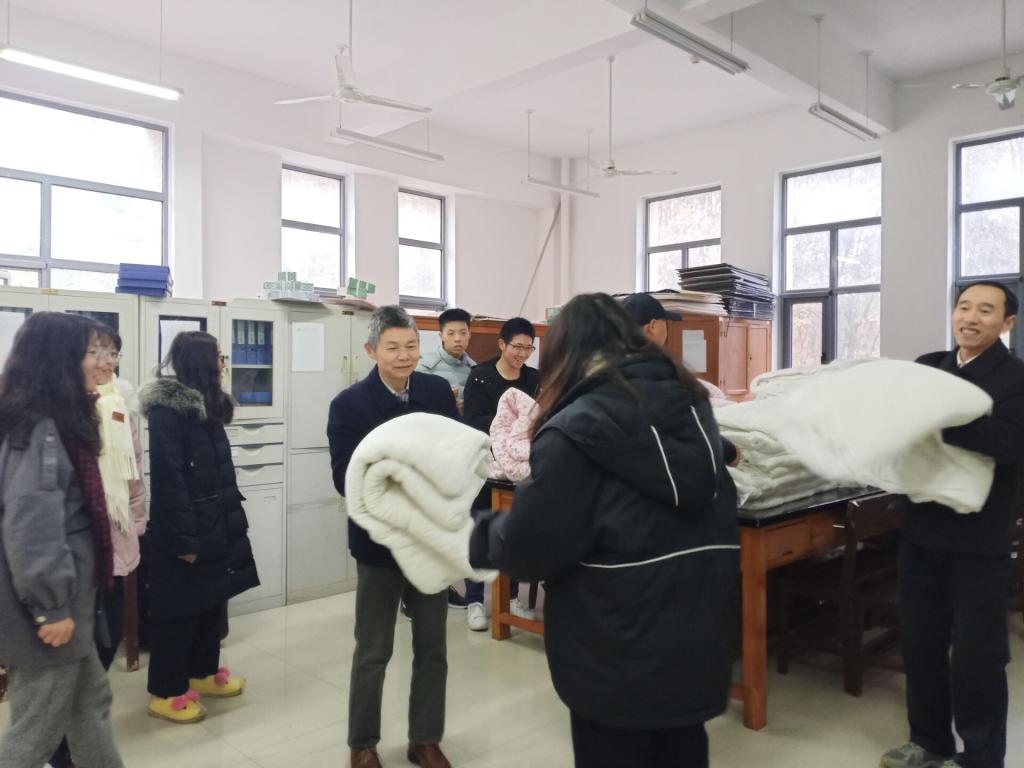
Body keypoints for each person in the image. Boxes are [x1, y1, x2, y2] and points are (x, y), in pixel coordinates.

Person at [469, 293, 740, 768]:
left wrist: (477, 534)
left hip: (615, 649)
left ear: (565, 353)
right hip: (696, 641)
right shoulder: (693, 408)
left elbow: (532, 546)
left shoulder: (575, 427)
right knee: (681, 748)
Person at [881, 281, 1024, 768]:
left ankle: (982, 757)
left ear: (1007, 323)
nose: (971, 317)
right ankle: (928, 741)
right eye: (964, 307)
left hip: (979, 539)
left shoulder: (1015, 377)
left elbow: (1009, 442)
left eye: (986, 310)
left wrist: (939, 418)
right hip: (920, 529)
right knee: (920, 643)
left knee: (977, 654)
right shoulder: (930, 365)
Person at [328, 306, 460, 768]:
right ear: (371, 350)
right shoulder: (349, 405)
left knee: (433, 647)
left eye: (411, 346)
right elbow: (345, 478)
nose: (404, 356)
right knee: (374, 649)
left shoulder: (436, 391)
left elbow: (454, 453)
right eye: (393, 348)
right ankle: (362, 744)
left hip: (430, 541)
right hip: (379, 545)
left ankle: (425, 740)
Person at [0, 312, 125, 767]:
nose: (102, 362)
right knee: (34, 732)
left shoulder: (50, 420)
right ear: (60, 360)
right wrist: (50, 607)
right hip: (46, 611)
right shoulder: (41, 429)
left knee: (89, 706)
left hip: (68, 603)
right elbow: (32, 525)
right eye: (90, 352)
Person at [140, 331, 258, 724]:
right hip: (186, 529)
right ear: (201, 362)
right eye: (219, 357)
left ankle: (202, 673)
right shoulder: (168, 412)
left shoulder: (209, 405)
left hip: (216, 521)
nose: (223, 364)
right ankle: (165, 691)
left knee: (212, 602)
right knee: (179, 613)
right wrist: (185, 539)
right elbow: (170, 482)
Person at [48, 324, 148, 768]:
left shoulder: (120, 405)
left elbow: (135, 472)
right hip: (75, 554)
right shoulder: (61, 414)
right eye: (96, 353)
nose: (107, 362)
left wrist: (137, 522)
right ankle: (60, 748)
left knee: (106, 642)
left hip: (117, 541)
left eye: (113, 354)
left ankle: (72, 741)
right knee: (74, 660)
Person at [461, 317, 541, 630]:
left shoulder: (533, 378)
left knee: (514, 533)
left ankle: (510, 598)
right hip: (487, 465)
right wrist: (506, 430)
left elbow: (536, 415)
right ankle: (475, 600)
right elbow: (473, 420)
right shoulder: (480, 376)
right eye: (516, 347)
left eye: (528, 348)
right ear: (501, 345)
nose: (522, 354)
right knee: (480, 530)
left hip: (519, 468)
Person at [622, 293, 741, 467]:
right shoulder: (658, 374)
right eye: (665, 323)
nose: (667, 329)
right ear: (652, 327)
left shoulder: (609, 369)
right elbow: (688, 425)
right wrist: (730, 451)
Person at [415, 307, 476, 612]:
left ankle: (444, 586)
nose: (457, 339)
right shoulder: (424, 367)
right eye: (451, 333)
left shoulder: (475, 370)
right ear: (440, 335)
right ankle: (414, 591)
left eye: (463, 333)